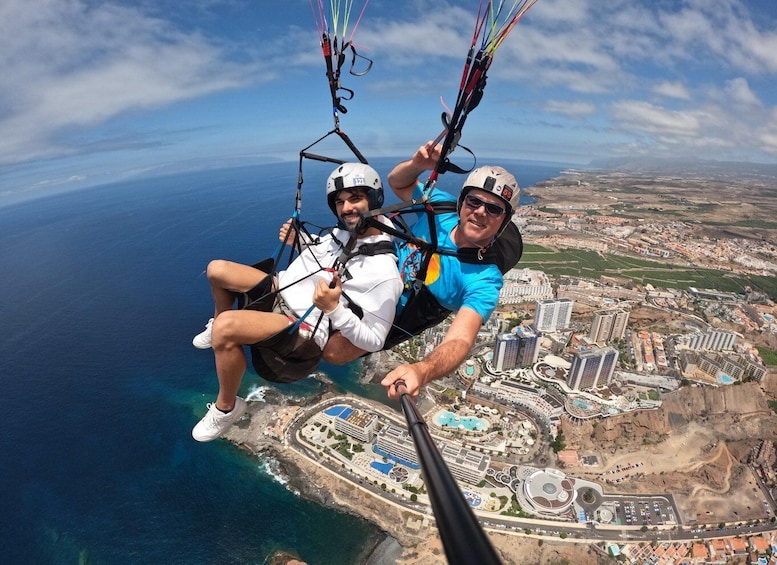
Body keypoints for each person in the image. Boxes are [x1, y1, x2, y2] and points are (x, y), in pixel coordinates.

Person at [191, 163, 402, 442]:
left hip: (298, 324)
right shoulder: (343, 233)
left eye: (355, 198)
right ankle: (216, 323)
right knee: (216, 269)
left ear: (374, 200)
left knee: (226, 328)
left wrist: (334, 309)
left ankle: (227, 407)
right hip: (280, 289)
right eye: (339, 201)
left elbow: (375, 339)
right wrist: (300, 241)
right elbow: (325, 257)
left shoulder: (383, 271)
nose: (346, 208)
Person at [327, 141, 520, 399]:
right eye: (474, 202)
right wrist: (418, 164)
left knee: (333, 352)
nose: (480, 212)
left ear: (504, 222)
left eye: (494, 209)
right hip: (374, 277)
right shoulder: (442, 208)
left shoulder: (484, 279)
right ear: (462, 202)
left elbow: (461, 339)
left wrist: (423, 369)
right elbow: (399, 182)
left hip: (397, 317)